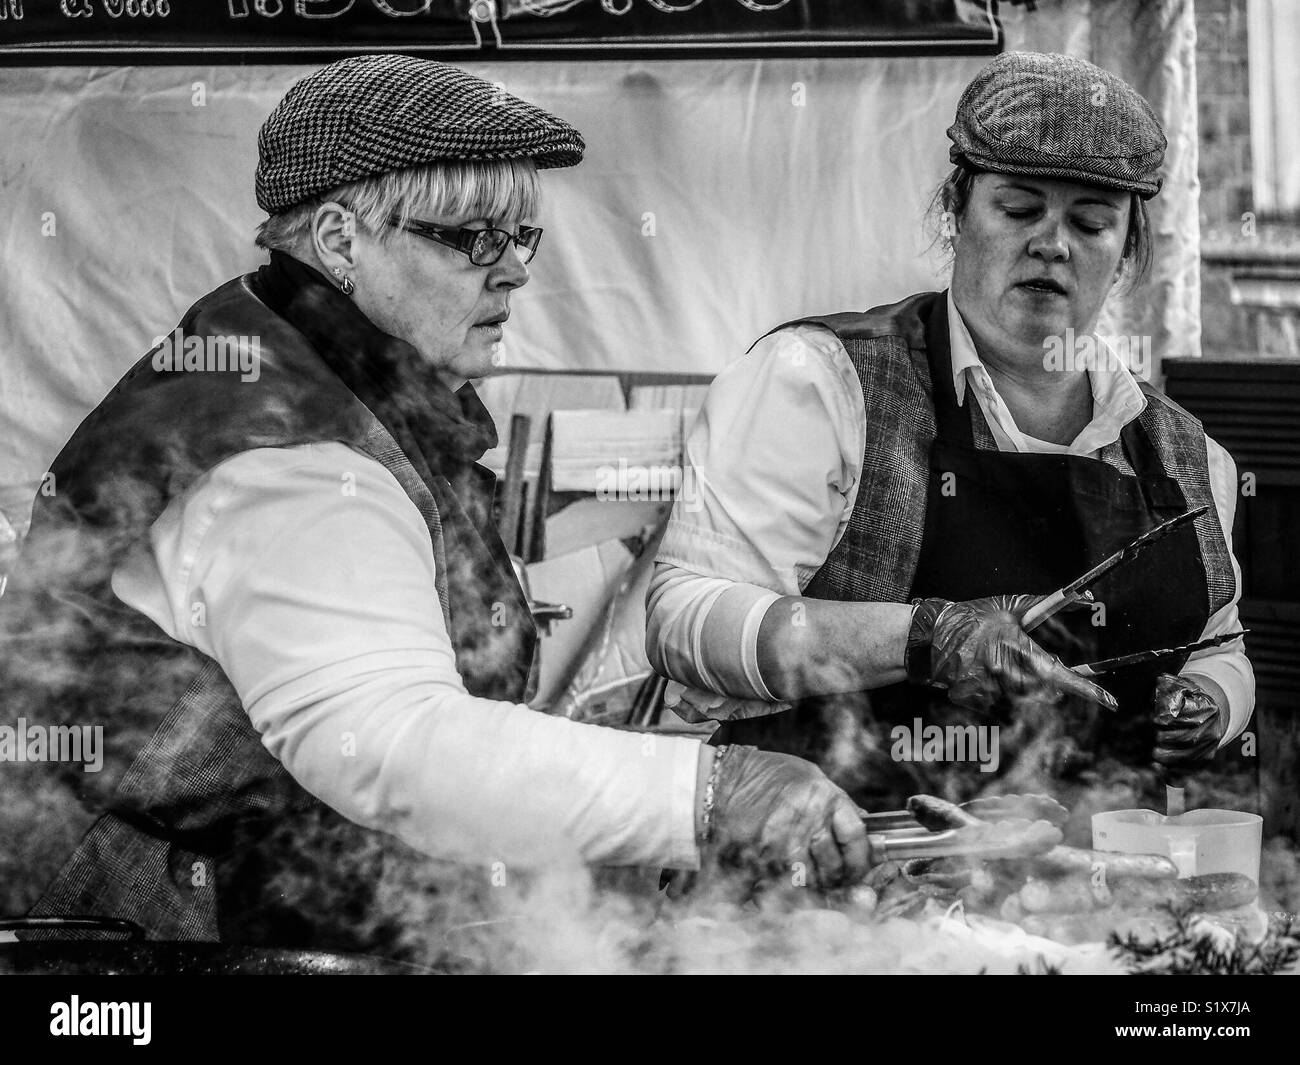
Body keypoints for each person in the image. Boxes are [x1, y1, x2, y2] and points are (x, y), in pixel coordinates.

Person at [0, 55, 870, 953]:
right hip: (163, 935)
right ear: (340, 242)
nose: (512, 274)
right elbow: (394, 744)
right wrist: (711, 789)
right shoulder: (286, 454)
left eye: (519, 235)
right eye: (470, 237)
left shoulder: (317, 369)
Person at [647, 52, 1254, 806]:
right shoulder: (819, 383)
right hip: (835, 874)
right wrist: (925, 637)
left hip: (1073, 884)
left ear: (1126, 251)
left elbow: (1220, 645)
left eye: (1091, 222)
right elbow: (685, 618)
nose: (1053, 244)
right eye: (1019, 208)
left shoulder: (1188, 456)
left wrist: (1211, 704)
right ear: (954, 212)